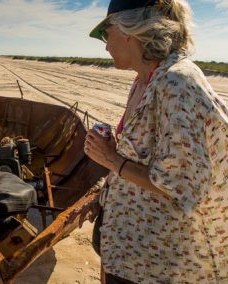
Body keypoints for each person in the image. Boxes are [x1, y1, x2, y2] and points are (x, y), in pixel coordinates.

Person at [83, 0, 228, 283]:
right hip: (131, 252)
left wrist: (112, 159)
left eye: (105, 33)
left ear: (129, 30)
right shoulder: (144, 80)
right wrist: (104, 197)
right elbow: (142, 160)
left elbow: (181, 185)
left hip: (162, 264)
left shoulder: (178, 84)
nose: (105, 46)